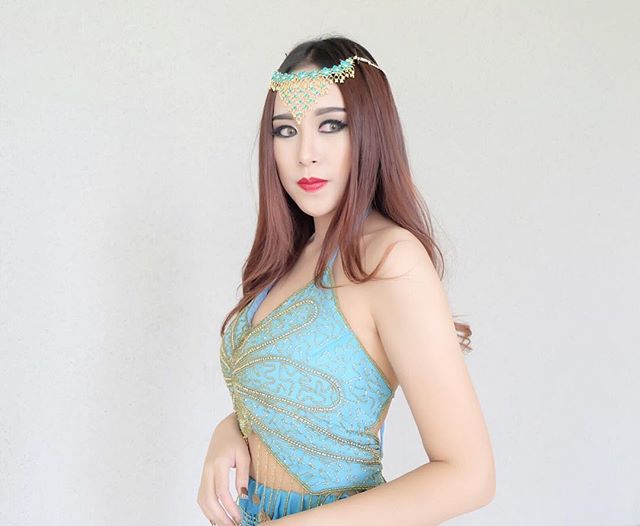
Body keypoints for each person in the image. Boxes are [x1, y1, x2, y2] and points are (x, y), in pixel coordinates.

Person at [198, 35, 495, 525]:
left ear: (371, 132)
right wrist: (228, 430)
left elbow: (470, 476)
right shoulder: (290, 257)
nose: (306, 154)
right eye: (285, 130)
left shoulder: (390, 258)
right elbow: (291, 405)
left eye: (331, 125)